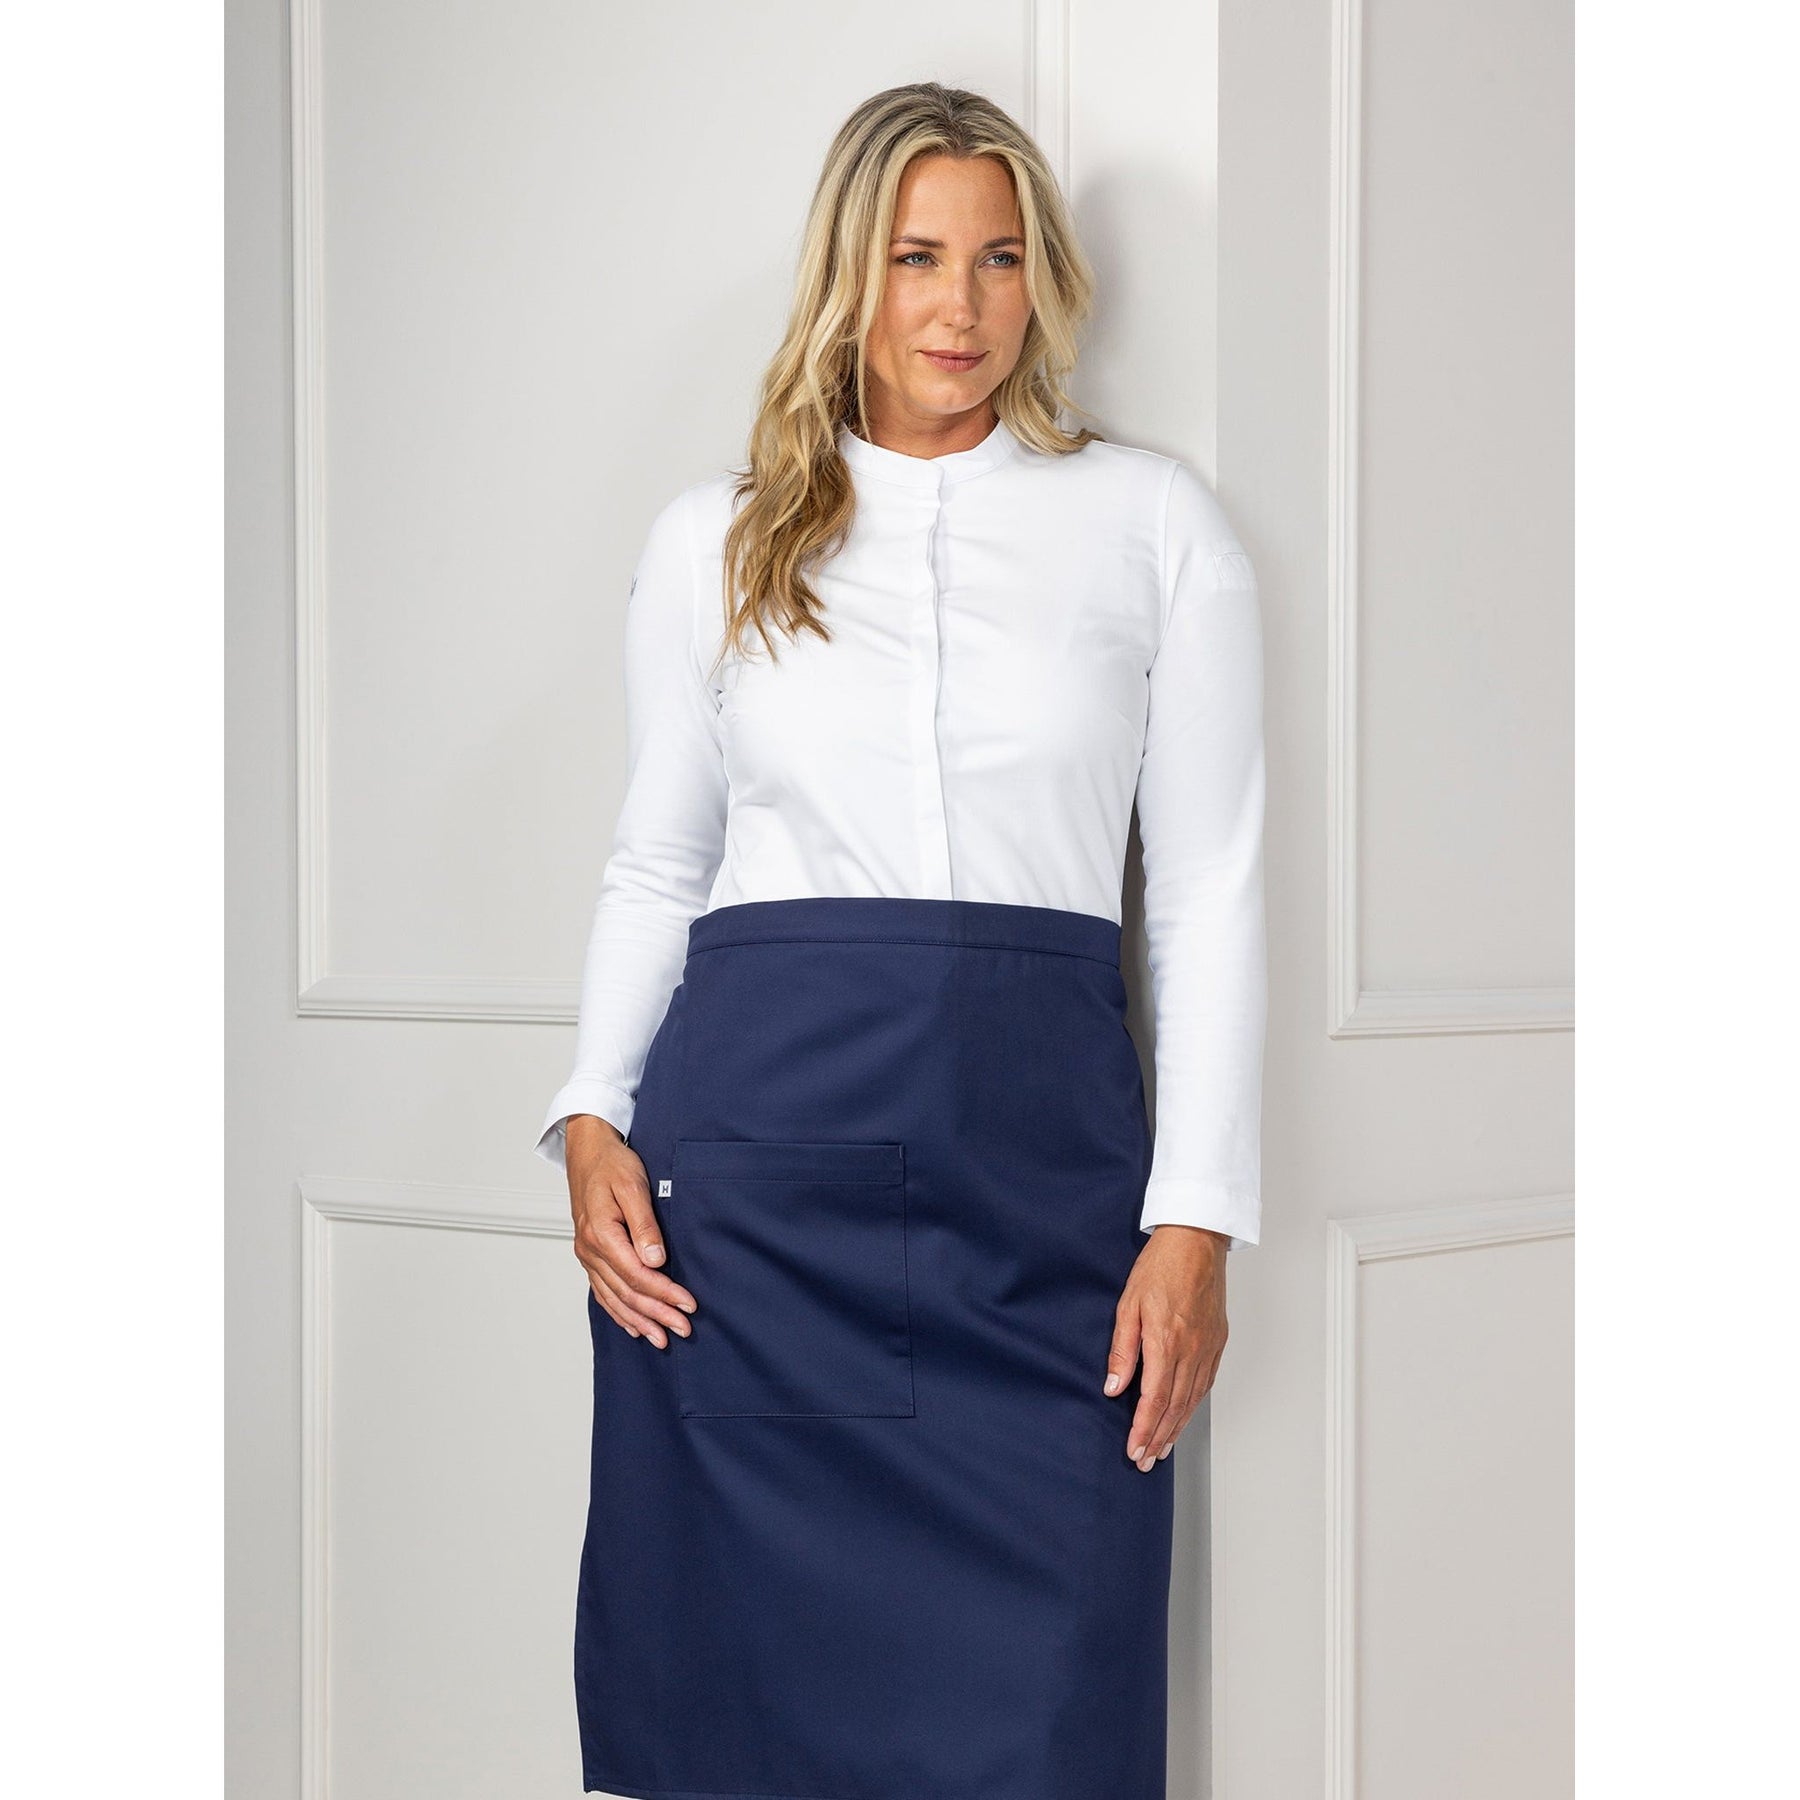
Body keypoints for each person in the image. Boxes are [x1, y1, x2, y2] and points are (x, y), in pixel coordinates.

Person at [533, 80, 1267, 1800]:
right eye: (918, 258)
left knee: (1055, 1719)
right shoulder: (713, 542)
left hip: (1043, 1196)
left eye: (1001, 259)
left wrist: (1196, 1220)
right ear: (848, 276)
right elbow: (660, 859)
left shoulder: (1154, 528)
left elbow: (1210, 888)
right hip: (753, 1214)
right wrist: (588, 1115)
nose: (961, 306)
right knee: (735, 1723)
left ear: (1043, 280)